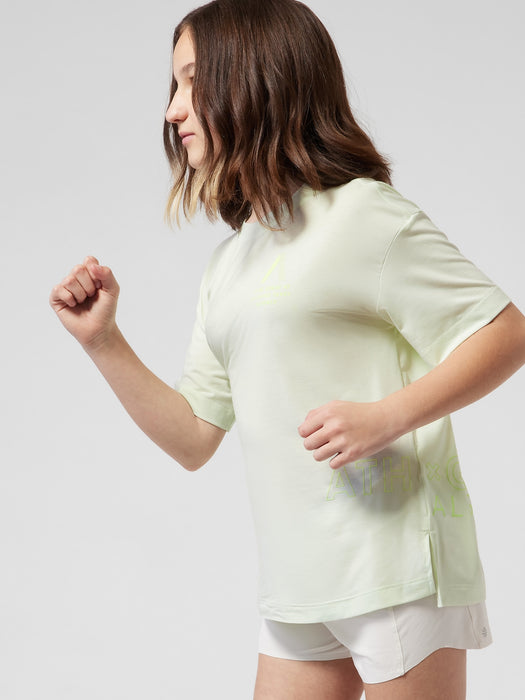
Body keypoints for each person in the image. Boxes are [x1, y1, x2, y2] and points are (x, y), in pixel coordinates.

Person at [49, 1, 525, 698]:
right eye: (173, 86)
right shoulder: (230, 263)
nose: (173, 110)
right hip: (299, 584)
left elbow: (505, 332)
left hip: (398, 566)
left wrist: (386, 417)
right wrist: (103, 341)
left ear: (255, 80)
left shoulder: (364, 215)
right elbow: (193, 436)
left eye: (192, 82)